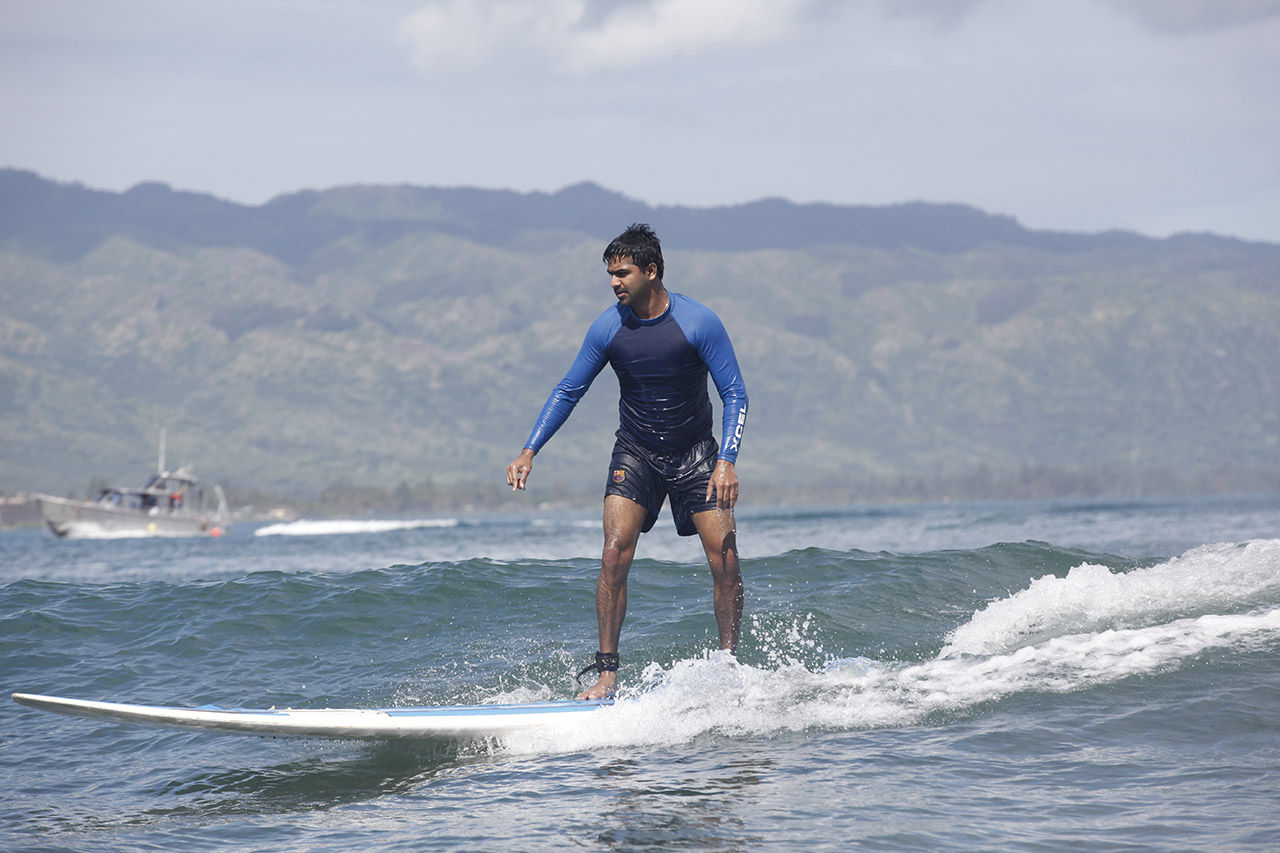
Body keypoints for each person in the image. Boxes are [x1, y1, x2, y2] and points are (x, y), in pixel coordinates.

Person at [506, 223, 748, 699]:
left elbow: (735, 393)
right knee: (614, 553)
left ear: (651, 271)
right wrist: (529, 450)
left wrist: (727, 461)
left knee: (725, 559)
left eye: (623, 273)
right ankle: (607, 674)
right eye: (610, 274)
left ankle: (729, 665)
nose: (614, 282)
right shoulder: (608, 327)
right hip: (636, 451)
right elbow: (569, 390)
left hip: (696, 453)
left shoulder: (698, 322)